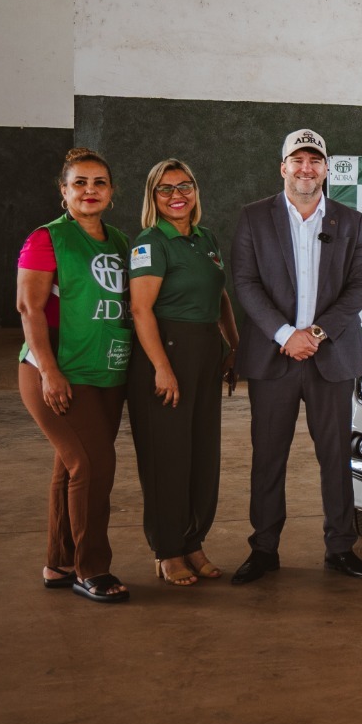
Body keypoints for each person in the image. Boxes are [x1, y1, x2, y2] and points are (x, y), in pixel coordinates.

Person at [230, 129, 362, 583]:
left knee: (335, 457)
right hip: (274, 357)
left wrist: (314, 333)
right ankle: (264, 549)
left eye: (315, 160)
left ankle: (340, 548)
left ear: (327, 169)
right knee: (268, 456)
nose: (306, 168)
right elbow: (245, 283)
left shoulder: (350, 221)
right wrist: (284, 334)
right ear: (283, 167)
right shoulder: (254, 217)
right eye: (298, 160)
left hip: (330, 356)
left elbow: (360, 287)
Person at [15, 147, 133, 604]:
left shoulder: (120, 242)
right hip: (59, 372)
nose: (89, 190)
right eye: (79, 183)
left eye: (99, 182)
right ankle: (92, 569)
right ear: (63, 191)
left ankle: (60, 562)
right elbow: (30, 309)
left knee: (71, 466)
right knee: (94, 464)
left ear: (111, 191)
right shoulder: (47, 239)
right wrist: (49, 371)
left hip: (107, 371)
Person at [128, 158, 240, 587]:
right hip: (166, 354)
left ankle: (193, 541)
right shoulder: (150, 243)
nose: (177, 195)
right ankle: (168, 550)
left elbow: (220, 295)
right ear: (153, 196)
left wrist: (233, 345)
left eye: (184, 186)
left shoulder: (205, 238)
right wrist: (162, 368)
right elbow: (141, 309)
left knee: (201, 455)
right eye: (166, 188)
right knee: (167, 458)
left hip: (205, 353)